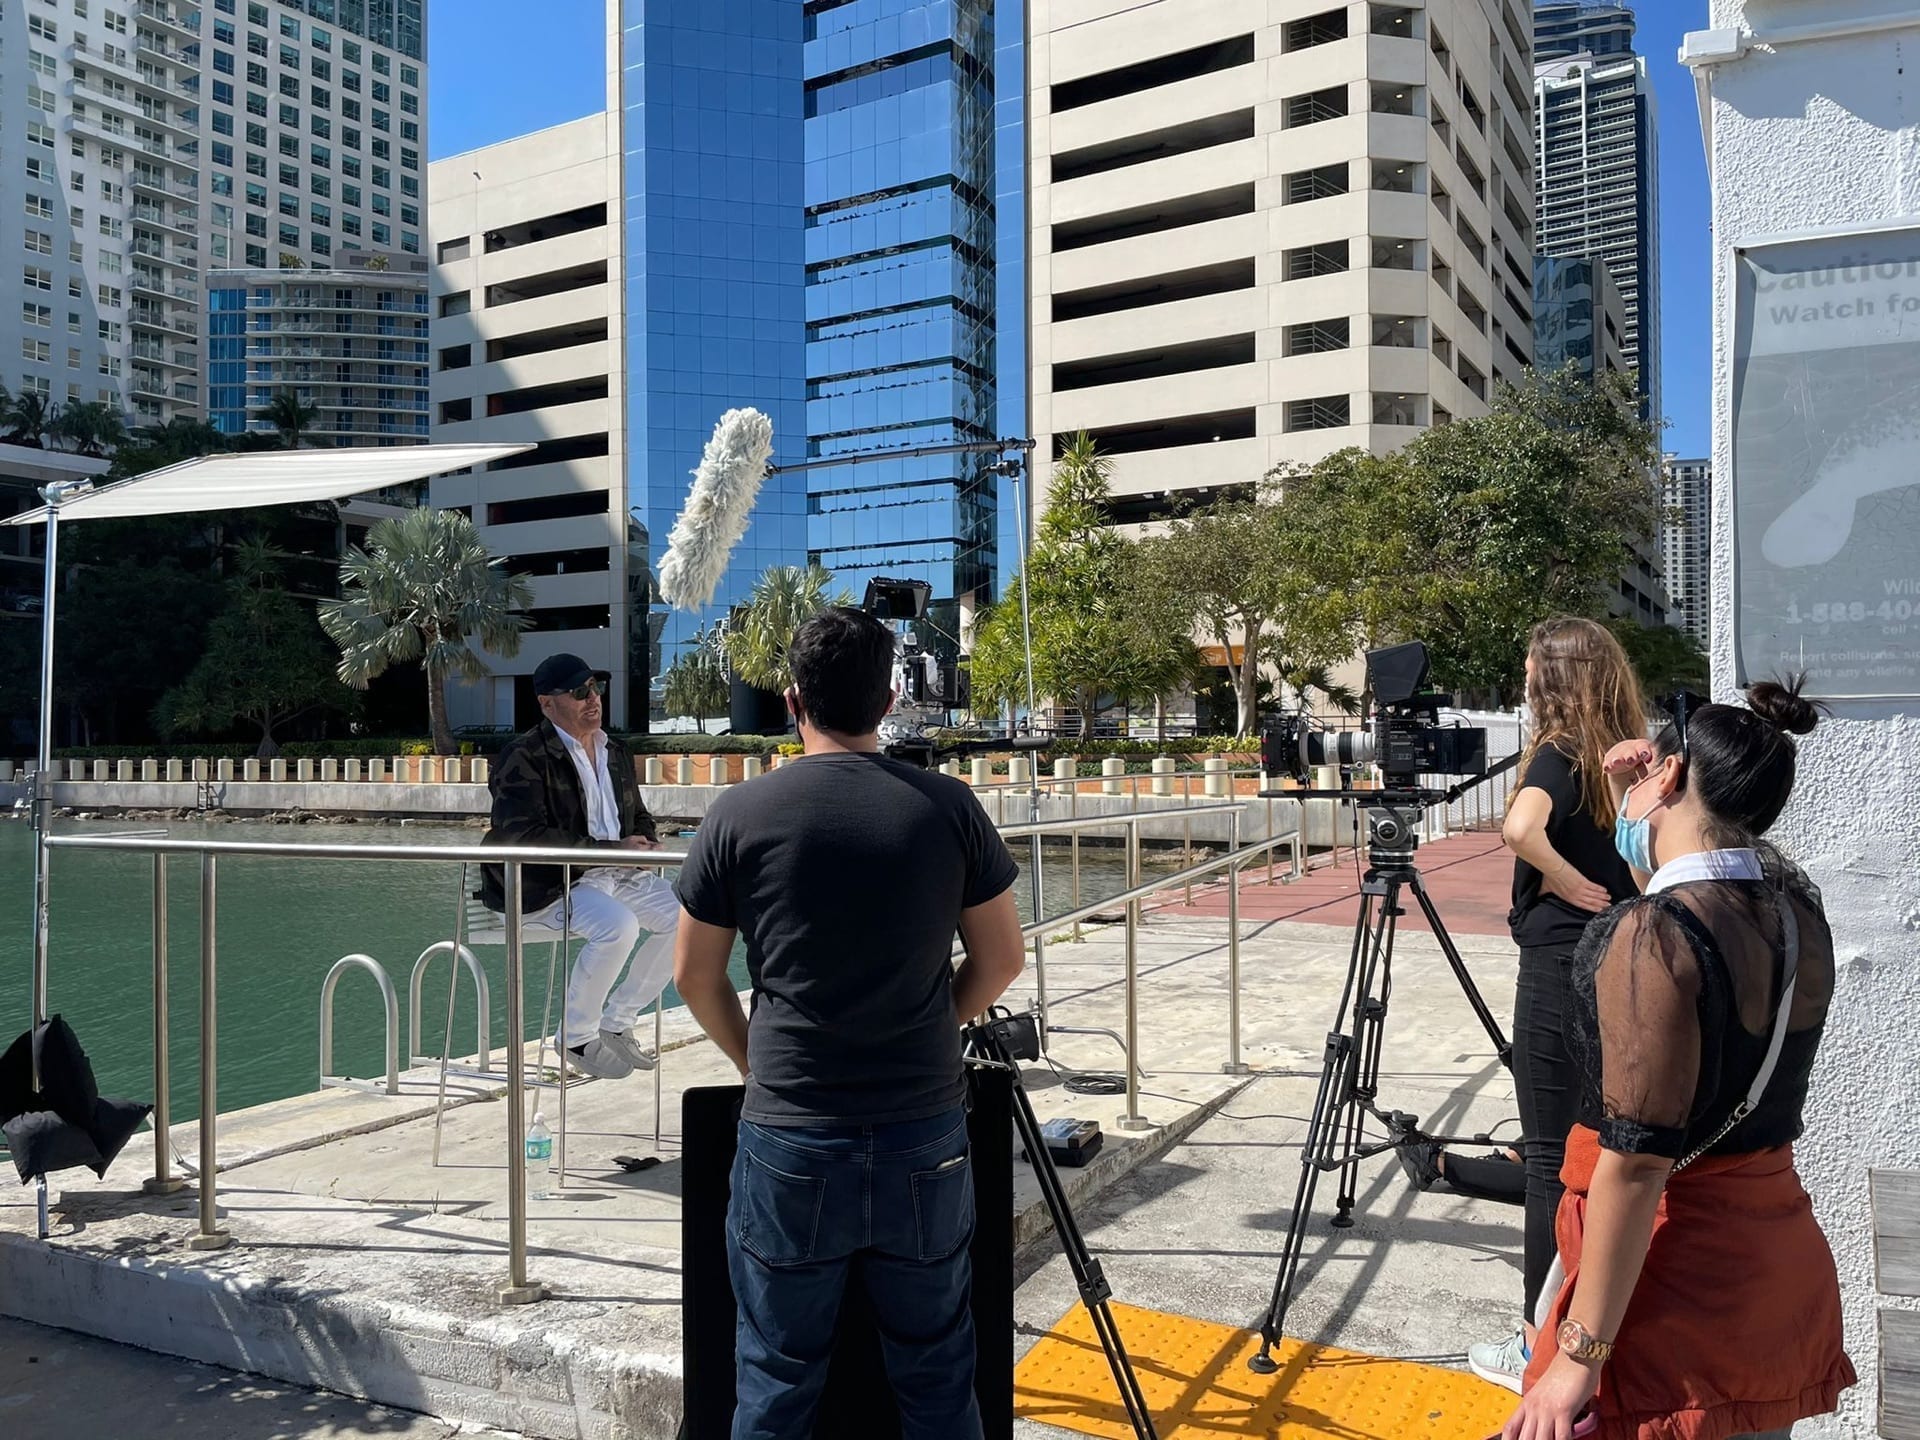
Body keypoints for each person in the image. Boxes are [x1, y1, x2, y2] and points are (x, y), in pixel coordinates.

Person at [672, 606, 1027, 1440]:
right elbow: (1002, 960)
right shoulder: (950, 807)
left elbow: (695, 976)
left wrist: (756, 1063)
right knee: (940, 1375)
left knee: (775, 1378)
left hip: (791, 1134)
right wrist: (936, 1023)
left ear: (792, 698)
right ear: (892, 695)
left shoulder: (739, 814)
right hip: (924, 1134)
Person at [1503, 678, 1854, 1440]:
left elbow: (1635, 1165)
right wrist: (1636, 787)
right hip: (1770, 1276)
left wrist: (1578, 1356)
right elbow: (1672, 892)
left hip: (1666, 1299)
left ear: (1669, 776)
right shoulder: (1794, 910)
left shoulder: (1654, 937)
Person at [1451, 618, 1649, 1391]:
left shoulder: (1559, 750)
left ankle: (1537, 1345)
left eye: (1530, 663)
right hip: (1618, 960)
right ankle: (1590, 1324)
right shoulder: (1625, 755)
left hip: (1559, 964)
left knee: (1545, 1159)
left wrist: (1562, 881)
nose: (1523, 675)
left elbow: (1519, 828)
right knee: (1598, 1151)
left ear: (1553, 674)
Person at [481, 653, 679, 1080]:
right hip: (552, 882)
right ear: (547, 703)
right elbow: (522, 836)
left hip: (616, 872)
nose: (593, 699)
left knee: (691, 919)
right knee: (619, 926)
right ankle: (575, 1036)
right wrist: (610, 849)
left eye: (595, 689)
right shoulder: (524, 757)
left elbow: (637, 814)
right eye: (579, 692)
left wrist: (643, 842)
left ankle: (617, 1022)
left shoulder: (616, 751)